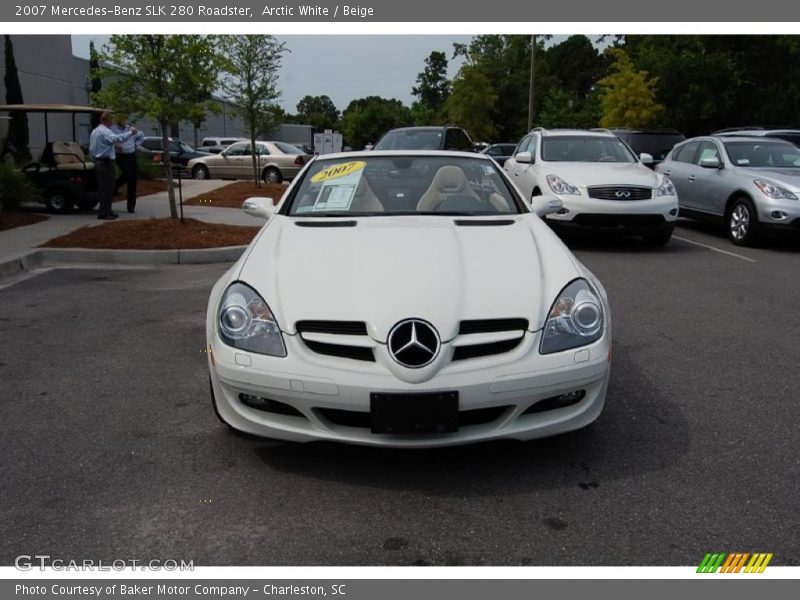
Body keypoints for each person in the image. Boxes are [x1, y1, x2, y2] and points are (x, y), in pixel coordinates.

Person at [89, 112, 137, 220]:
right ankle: (104, 212)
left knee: (106, 188)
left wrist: (94, 159)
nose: (112, 123)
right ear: (107, 120)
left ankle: (107, 210)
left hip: (99, 161)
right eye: (111, 121)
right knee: (107, 188)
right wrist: (130, 133)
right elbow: (116, 139)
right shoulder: (105, 131)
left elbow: (91, 150)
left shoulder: (95, 131)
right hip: (105, 162)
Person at [112, 114, 145, 213]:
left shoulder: (130, 129)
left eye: (123, 119)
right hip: (120, 156)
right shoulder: (113, 129)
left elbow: (141, 136)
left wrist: (136, 144)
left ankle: (131, 206)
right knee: (128, 174)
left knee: (132, 179)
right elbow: (110, 140)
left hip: (131, 155)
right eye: (120, 119)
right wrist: (115, 146)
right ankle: (114, 187)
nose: (122, 121)